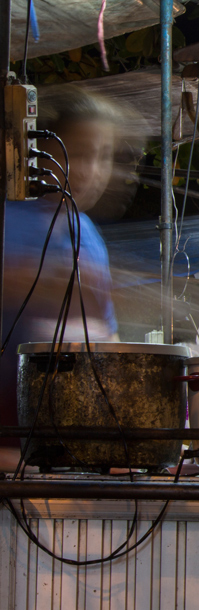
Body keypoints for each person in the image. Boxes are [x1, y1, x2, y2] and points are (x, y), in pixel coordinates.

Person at [1, 86, 120, 469]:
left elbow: (106, 341)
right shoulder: (11, 218)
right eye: (80, 153)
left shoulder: (88, 234)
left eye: (104, 157)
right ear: (45, 151)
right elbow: (19, 282)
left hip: (59, 451)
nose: (92, 171)